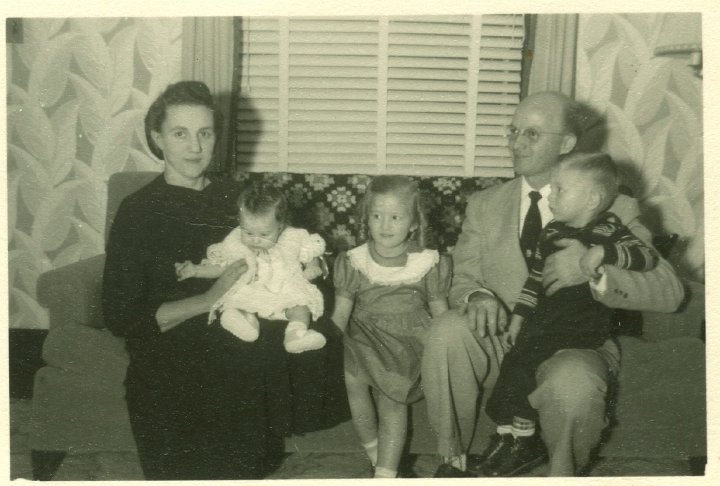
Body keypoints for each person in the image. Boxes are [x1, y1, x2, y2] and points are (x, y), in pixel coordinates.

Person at [424, 91, 684, 477]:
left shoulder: (613, 207)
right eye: (512, 131)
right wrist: (477, 294)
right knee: (447, 329)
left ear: (566, 143)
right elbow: (464, 275)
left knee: (573, 385)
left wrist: (593, 271)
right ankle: (452, 460)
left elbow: (670, 290)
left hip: (572, 341)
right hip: (506, 338)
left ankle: (560, 472)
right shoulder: (484, 204)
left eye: (531, 134)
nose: (515, 143)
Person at [102, 81, 347, 480]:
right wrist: (209, 298)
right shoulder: (138, 211)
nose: (194, 147)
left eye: (205, 133)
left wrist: (311, 268)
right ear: (157, 138)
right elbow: (121, 316)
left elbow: (286, 253)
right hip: (172, 359)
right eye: (180, 133)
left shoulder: (237, 198)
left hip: (245, 351)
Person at [482, 152, 659, 476]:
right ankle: (512, 436)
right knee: (516, 363)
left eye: (560, 190)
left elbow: (645, 257)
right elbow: (535, 279)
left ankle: (524, 438)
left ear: (591, 198)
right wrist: (519, 317)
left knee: (540, 362)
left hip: (582, 326)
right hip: (543, 320)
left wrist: (603, 254)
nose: (551, 195)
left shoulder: (608, 228)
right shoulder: (551, 231)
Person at [331, 176, 452, 478]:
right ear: (366, 219)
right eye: (376, 216)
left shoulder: (427, 262)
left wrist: (447, 350)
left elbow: (441, 314)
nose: (385, 225)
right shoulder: (354, 261)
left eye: (396, 217)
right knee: (351, 379)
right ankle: (375, 451)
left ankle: (385, 473)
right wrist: (326, 346)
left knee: (391, 399)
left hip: (408, 341)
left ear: (413, 223)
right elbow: (341, 313)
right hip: (363, 334)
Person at [176, 182, 328, 353]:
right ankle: (246, 321)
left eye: (264, 234)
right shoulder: (235, 242)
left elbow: (311, 253)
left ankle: (295, 334)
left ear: (281, 225)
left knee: (301, 307)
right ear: (240, 222)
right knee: (236, 302)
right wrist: (196, 270)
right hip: (251, 289)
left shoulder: (294, 236)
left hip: (286, 289)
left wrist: (312, 267)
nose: (255, 240)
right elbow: (223, 266)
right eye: (248, 233)